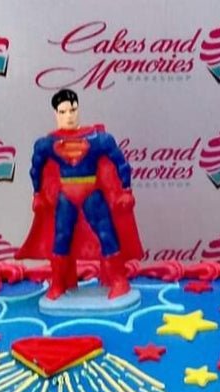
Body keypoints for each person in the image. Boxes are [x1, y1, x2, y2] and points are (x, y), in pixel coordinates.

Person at [17, 89, 143, 299]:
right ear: (55, 113)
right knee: (61, 238)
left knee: (106, 234)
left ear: (78, 110)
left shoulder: (99, 140)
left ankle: (119, 280)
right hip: (66, 196)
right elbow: (35, 169)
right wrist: (37, 194)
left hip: (92, 193)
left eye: (73, 110)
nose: (69, 116)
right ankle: (59, 283)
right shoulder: (46, 144)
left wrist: (126, 190)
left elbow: (121, 164)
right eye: (63, 111)